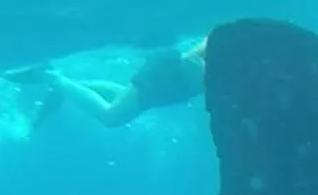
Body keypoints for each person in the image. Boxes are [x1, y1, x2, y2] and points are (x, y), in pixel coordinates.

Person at [42, 37, 207, 128]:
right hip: (175, 79)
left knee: (122, 96)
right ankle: (53, 78)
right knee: (112, 116)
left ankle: (68, 86)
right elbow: (198, 54)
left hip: (179, 80)